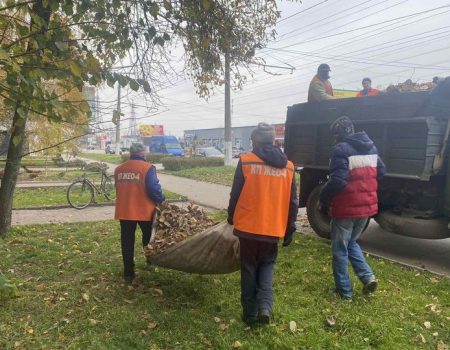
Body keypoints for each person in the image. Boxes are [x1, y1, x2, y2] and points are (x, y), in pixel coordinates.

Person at [227, 123, 298, 326]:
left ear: (255, 141)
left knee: (248, 267)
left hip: (247, 227)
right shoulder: (289, 167)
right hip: (273, 228)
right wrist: (289, 230)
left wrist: (231, 217)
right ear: (274, 141)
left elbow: (236, 194)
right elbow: (293, 202)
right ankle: (265, 307)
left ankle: (249, 315)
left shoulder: (246, 162)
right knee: (267, 265)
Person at [319, 116, 386, 300]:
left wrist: (323, 199)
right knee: (351, 243)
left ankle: (344, 292)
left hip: (346, 209)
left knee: (340, 249)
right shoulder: (371, 147)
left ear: (339, 133)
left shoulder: (340, 150)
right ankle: (367, 276)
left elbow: (338, 181)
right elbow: (381, 171)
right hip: (366, 208)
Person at [114, 143, 165, 285]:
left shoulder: (119, 169)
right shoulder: (148, 168)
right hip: (144, 210)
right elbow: (153, 189)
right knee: (148, 238)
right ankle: (150, 262)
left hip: (125, 211)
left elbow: (118, 188)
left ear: (131, 153)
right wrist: (161, 199)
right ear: (143, 153)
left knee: (127, 242)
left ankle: (128, 274)